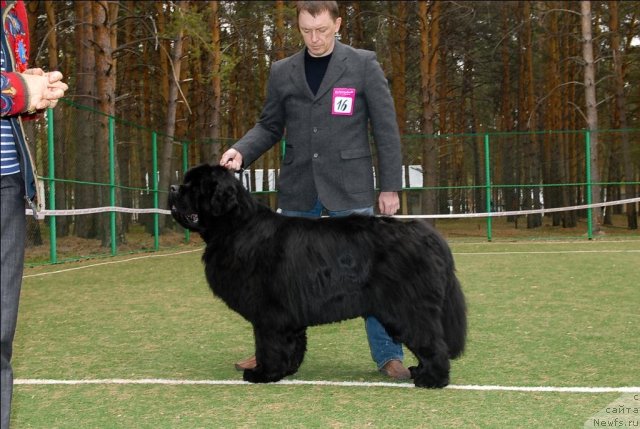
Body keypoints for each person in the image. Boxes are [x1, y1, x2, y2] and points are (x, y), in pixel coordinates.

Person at [220, 1, 410, 380]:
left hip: (350, 187)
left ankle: (389, 355)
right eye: (306, 30)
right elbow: (270, 125)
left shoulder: (362, 64)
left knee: (373, 276)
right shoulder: (282, 71)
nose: (315, 38)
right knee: (278, 280)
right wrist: (241, 150)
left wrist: (390, 186)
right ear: (298, 27)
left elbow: (385, 129)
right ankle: (271, 352)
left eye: (322, 29)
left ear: (337, 24)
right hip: (298, 189)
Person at [1, 1, 68, 427]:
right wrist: (18, 89)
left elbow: (14, 95)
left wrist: (36, 93)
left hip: (7, 185)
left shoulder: (15, 10)